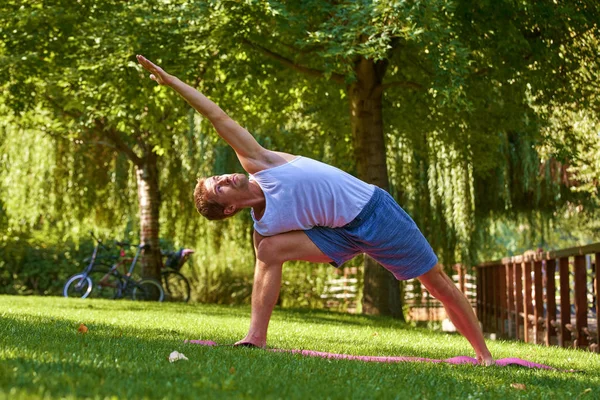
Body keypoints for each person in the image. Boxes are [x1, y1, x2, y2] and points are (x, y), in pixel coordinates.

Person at [136, 55, 494, 365]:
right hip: (337, 235)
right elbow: (267, 259)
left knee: (437, 283)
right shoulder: (265, 226)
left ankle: (484, 356)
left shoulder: (259, 162)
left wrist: (171, 82)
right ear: (228, 209)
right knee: (268, 250)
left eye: (220, 176)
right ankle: (255, 337)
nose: (227, 177)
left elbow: (217, 117)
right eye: (221, 186)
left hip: (374, 212)